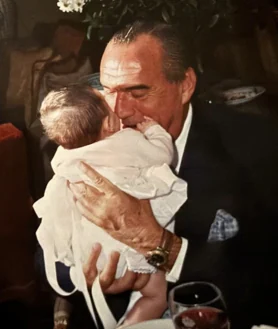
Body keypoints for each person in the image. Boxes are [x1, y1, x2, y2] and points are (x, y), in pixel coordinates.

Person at [64, 20, 278, 329]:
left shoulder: (256, 147)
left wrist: (160, 244)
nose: (119, 110)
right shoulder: (89, 138)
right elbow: (45, 255)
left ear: (186, 85)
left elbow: (264, 280)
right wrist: (80, 274)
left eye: (138, 91)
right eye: (108, 91)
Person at [34, 84, 187, 328]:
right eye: (107, 97)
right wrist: (153, 130)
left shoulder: (64, 158)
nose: (119, 107)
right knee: (156, 295)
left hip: (92, 255)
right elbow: (162, 154)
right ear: (109, 124)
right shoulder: (126, 141)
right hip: (133, 253)